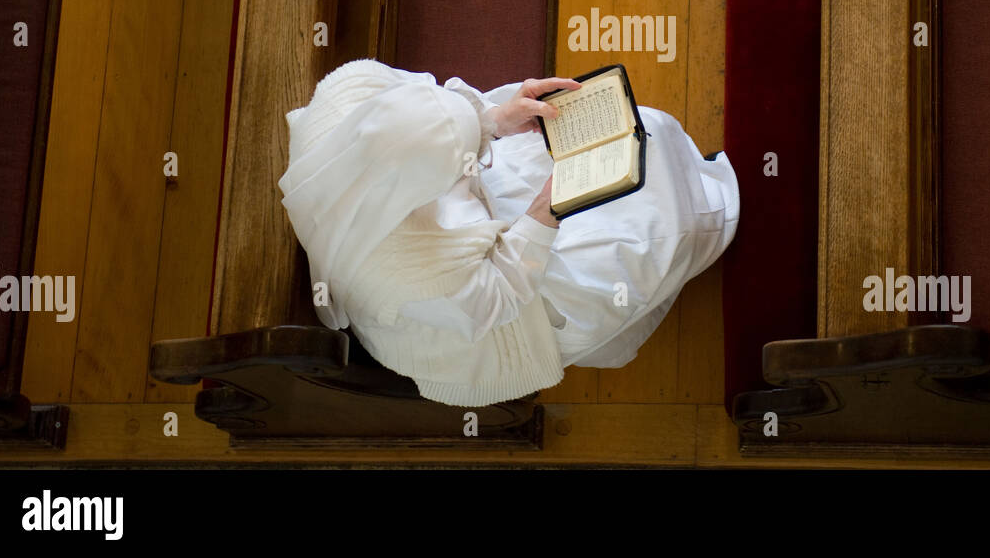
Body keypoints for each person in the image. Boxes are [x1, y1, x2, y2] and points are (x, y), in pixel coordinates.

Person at [277, 59, 739, 406]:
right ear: (417, 187)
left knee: (628, 134)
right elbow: (496, 295)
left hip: (468, 218)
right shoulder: (399, 272)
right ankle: (717, 214)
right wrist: (543, 214)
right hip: (479, 305)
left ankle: (697, 174)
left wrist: (492, 119)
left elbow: (437, 117)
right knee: (642, 236)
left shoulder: (350, 95)